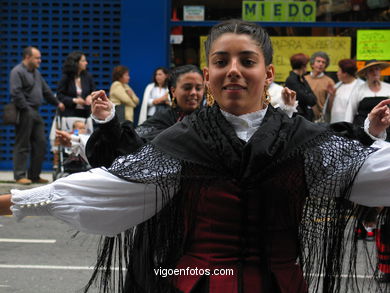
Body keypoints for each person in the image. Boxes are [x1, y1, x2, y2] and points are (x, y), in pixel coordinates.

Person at [2, 20, 390, 293]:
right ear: (208, 75)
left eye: (247, 61)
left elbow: (372, 170)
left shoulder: (306, 142)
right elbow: (94, 190)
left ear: (268, 73)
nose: (233, 70)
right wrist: (12, 202)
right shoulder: (179, 142)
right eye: (221, 62)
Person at [86, 64, 205, 168]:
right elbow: (135, 144)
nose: (194, 92)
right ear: (173, 91)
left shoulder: (210, 119)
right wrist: (110, 120)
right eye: (187, 88)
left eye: (198, 88)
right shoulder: (163, 118)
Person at [9, 46, 65, 185]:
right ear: (27, 57)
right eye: (37, 58)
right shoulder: (17, 71)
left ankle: (34, 175)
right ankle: (20, 176)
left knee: (40, 143)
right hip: (24, 111)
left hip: (35, 111)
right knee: (23, 144)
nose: (40, 60)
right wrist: (26, 108)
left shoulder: (36, 73)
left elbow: (46, 91)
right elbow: (16, 92)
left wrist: (57, 103)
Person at [345, 60, 390, 126]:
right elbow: (350, 111)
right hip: (362, 128)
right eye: (371, 70)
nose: (374, 72)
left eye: (376, 69)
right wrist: (347, 128)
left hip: (385, 129)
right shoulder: (358, 90)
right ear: (366, 74)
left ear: (380, 71)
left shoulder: (388, 88)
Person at [57, 51, 95, 118]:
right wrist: (74, 100)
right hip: (69, 114)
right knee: (75, 129)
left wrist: (90, 96)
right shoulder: (66, 77)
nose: (86, 63)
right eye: (83, 61)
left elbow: (93, 91)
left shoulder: (88, 77)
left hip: (85, 114)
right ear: (76, 63)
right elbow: (60, 95)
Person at [327, 59, 364, 123]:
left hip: (351, 126)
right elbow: (330, 109)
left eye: (339, 71)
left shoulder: (361, 87)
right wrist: (331, 95)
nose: (337, 73)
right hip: (335, 124)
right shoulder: (337, 86)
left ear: (345, 73)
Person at [285, 53, 317, 121]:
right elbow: (308, 99)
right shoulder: (292, 80)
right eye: (306, 65)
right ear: (303, 66)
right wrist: (309, 96)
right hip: (298, 118)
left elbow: (313, 99)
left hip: (305, 117)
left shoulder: (301, 78)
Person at [305, 51, 335, 122]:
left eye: (323, 62)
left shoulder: (329, 82)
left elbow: (331, 106)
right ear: (312, 64)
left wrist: (331, 95)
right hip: (304, 117)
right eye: (318, 61)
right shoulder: (304, 79)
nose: (321, 64)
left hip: (320, 119)